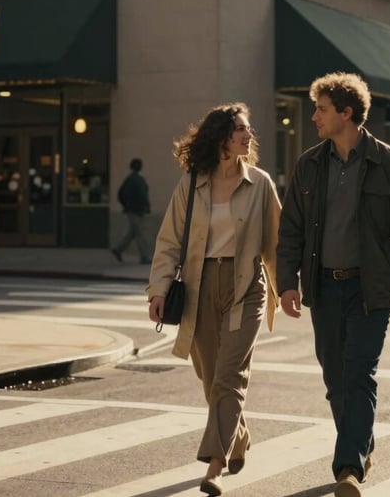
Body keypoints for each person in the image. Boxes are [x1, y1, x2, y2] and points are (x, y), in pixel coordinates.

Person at [276, 72, 390, 497]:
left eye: (321, 109)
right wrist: (287, 283)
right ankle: (362, 443)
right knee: (335, 379)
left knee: (359, 374)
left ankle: (348, 469)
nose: (314, 117)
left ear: (346, 113)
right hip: (323, 288)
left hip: (371, 289)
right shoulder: (308, 164)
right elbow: (291, 230)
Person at [145, 103, 281, 497]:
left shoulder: (261, 184)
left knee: (229, 376)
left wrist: (288, 288)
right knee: (210, 379)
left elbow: (276, 245)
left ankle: (215, 465)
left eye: (248, 129)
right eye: (241, 128)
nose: (248, 135)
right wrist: (158, 287)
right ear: (222, 136)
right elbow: (169, 240)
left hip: (246, 288)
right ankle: (238, 438)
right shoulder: (192, 184)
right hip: (200, 287)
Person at [111, 158, 153, 264]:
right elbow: (143, 195)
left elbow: (120, 194)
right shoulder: (138, 179)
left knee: (132, 232)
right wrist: (146, 206)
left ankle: (118, 249)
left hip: (132, 210)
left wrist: (126, 205)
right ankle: (145, 256)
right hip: (137, 211)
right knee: (140, 233)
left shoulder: (129, 179)